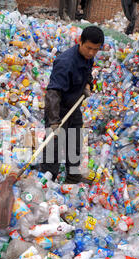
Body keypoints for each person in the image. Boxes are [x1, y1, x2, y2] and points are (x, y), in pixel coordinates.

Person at [40, 25, 104, 184]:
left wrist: (88, 84)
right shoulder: (66, 62)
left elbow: (87, 74)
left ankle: (73, 178)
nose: (91, 53)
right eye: (89, 48)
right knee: (53, 146)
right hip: (58, 109)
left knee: (75, 142)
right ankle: (47, 180)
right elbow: (53, 93)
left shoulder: (88, 58)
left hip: (74, 107)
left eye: (95, 50)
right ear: (80, 42)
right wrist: (54, 121)